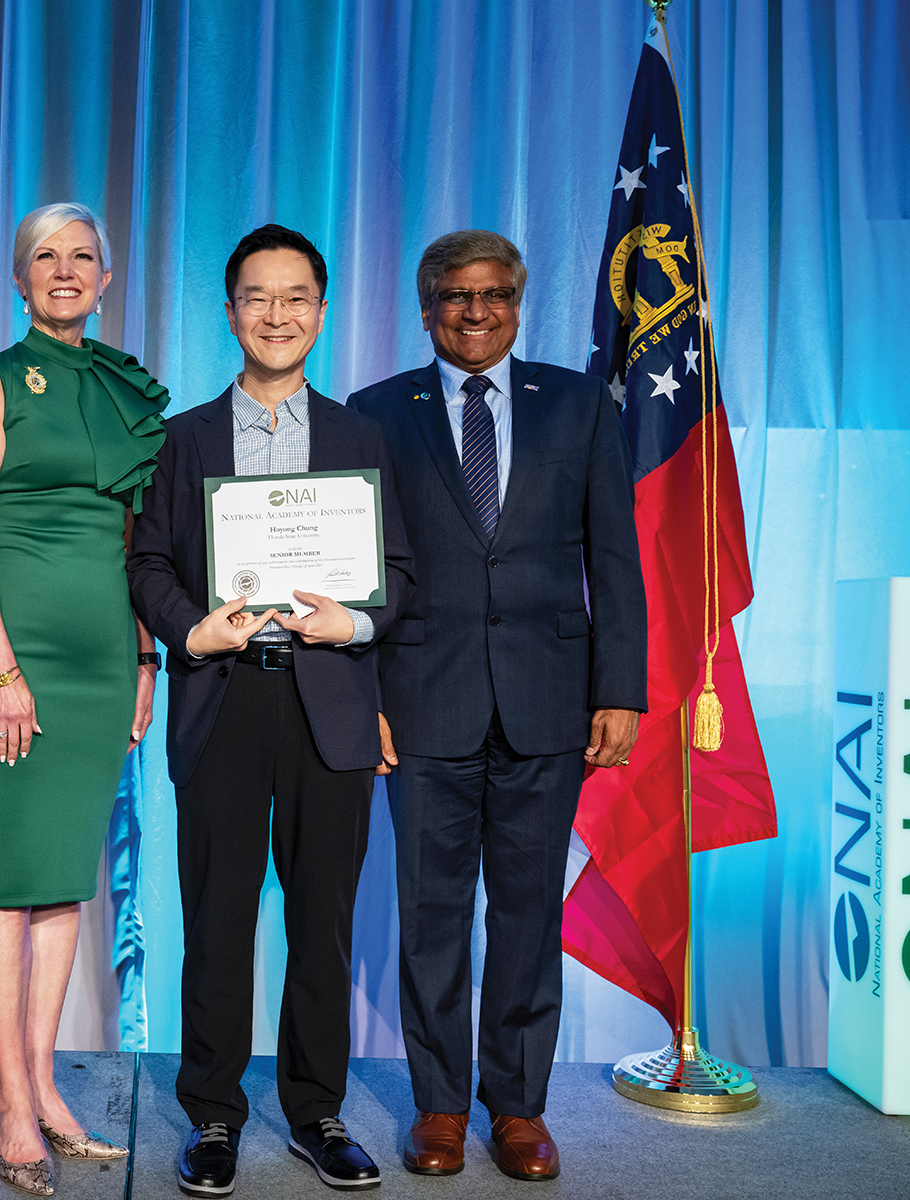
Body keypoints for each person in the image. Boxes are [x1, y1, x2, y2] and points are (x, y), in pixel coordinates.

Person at [349, 230, 646, 1182]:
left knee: (527, 913)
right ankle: (439, 1106)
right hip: (420, 703)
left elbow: (615, 556)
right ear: (425, 307)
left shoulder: (578, 403)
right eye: (455, 295)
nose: (475, 312)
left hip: (548, 703)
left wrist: (620, 690)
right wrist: (363, 698)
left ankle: (518, 1108)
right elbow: (357, 573)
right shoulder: (375, 412)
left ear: (518, 304)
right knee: (431, 915)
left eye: (494, 295)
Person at [128, 224, 414, 1196]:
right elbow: (148, 564)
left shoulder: (361, 437)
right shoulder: (182, 439)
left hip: (330, 703)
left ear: (322, 313)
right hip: (222, 700)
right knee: (215, 919)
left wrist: (355, 620)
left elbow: (400, 572)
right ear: (230, 312)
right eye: (259, 296)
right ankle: (211, 1113)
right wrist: (191, 630)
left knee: (323, 923)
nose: (277, 314)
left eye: (296, 297)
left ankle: (316, 1111)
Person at [0, 202, 168, 1196]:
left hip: (103, 664)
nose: (66, 270)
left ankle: (43, 1084)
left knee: (67, 877)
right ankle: (7, 1100)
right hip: (15, 656)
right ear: (20, 277)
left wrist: (145, 658)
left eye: (83, 256)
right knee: (10, 876)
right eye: (46, 256)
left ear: (107, 278)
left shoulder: (125, 386)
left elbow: (135, 542)